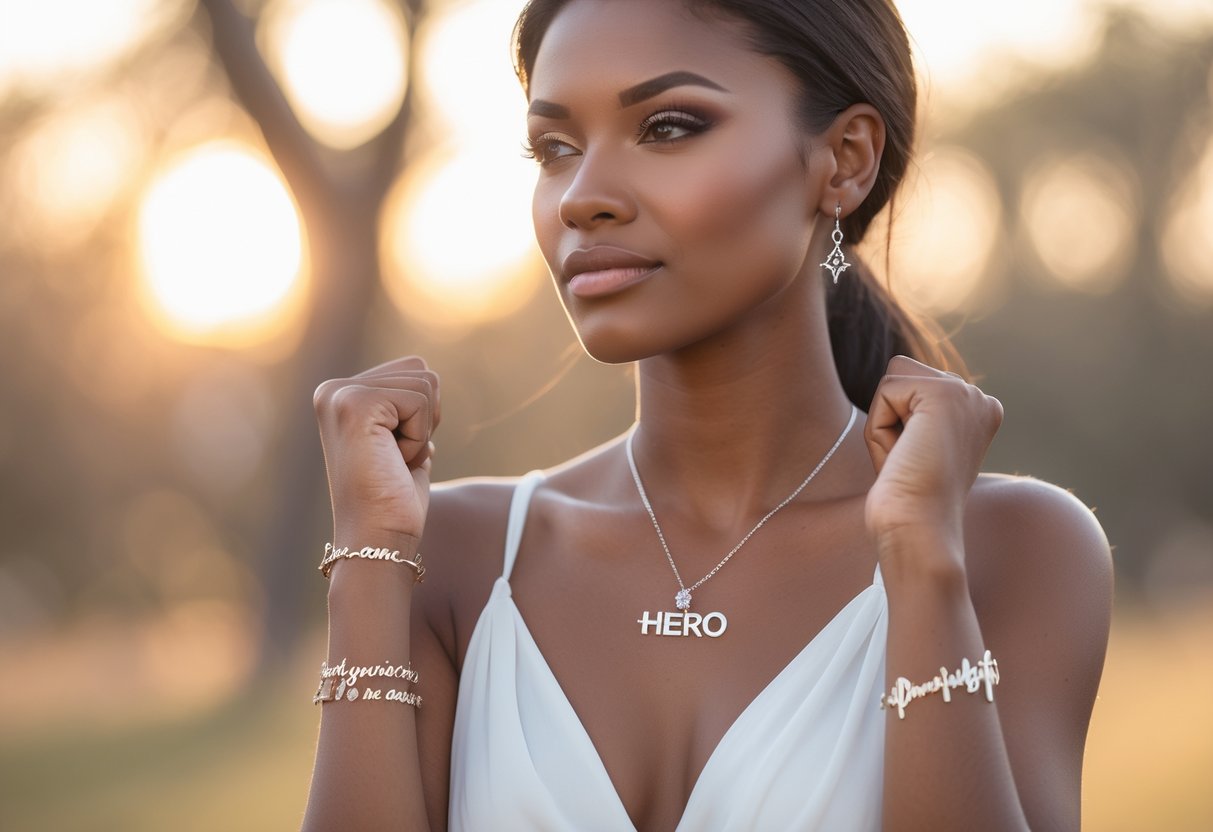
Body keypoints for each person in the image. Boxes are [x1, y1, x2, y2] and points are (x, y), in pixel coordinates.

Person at [301, 0, 1113, 829]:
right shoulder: (456, 559)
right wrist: (368, 558)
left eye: (667, 126)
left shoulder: (1010, 549)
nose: (582, 198)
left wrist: (920, 565)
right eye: (555, 148)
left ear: (844, 159)